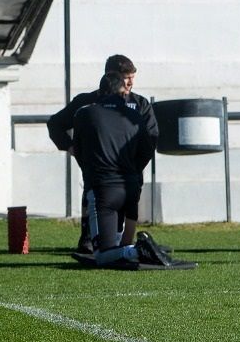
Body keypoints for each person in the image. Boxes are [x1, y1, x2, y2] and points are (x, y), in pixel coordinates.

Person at [47, 55, 157, 254]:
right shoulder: (86, 104)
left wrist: (134, 166)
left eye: (133, 77)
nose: (131, 82)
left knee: (125, 209)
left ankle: (124, 245)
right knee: (95, 208)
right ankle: (92, 242)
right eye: (126, 78)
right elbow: (55, 124)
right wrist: (71, 148)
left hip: (129, 175)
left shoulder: (139, 105)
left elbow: (151, 140)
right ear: (111, 76)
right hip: (99, 175)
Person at [71, 71, 174, 268]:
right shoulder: (135, 116)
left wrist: (92, 172)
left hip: (103, 189)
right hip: (130, 187)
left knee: (102, 255)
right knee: (120, 246)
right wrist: (133, 172)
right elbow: (146, 150)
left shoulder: (85, 114)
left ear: (100, 92)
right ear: (123, 93)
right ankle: (139, 249)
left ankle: (138, 250)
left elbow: (80, 150)